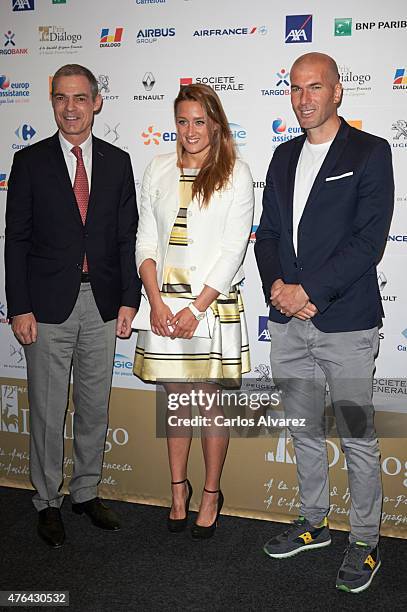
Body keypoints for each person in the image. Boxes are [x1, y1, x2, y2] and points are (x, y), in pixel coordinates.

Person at [255, 52, 394, 593]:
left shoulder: (370, 152)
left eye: (314, 87)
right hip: (288, 324)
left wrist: (308, 291)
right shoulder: (282, 156)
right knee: (304, 430)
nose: (303, 98)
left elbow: (368, 241)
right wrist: (279, 291)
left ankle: (365, 541)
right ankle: (314, 523)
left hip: (348, 324)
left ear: (337, 92)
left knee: (357, 435)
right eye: (295, 88)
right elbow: (267, 234)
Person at [4, 64, 141, 548]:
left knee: (93, 406)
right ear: (52, 101)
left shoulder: (118, 161)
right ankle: (46, 501)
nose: (70, 107)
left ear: (96, 101)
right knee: (45, 409)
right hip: (45, 307)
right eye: (61, 97)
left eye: (80, 97)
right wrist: (18, 306)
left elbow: (127, 238)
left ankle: (86, 492)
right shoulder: (30, 161)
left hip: (102, 302)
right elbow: (15, 239)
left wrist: (130, 299)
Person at [134, 83, 254, 539]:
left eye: (199, 122)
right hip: (163, 306)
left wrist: (197, 309)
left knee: (209, 407)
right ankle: (178, 490)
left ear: (216, 125)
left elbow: (232, 250)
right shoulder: (158, 168)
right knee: (175, 405)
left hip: (210, 305)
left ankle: (210, 493)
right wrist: (156, 301)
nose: (190, 131)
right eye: (182, 121)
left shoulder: (235, 173)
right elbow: (145, 240)